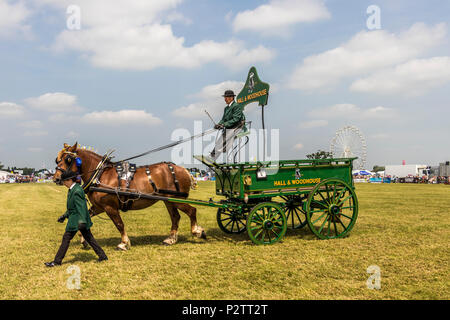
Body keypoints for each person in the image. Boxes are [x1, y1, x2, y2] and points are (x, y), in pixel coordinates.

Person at [44, 171, 107, 267]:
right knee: (89, 238)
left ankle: (57, 261)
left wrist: (81, 221)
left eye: (64, 181)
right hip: (77, 219)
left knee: (66, 238)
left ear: (69, 180)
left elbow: (81, 207)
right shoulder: (72, 189)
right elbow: (71, 207)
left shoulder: (77, 191)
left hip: (77, 220)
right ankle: (102, 256)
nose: (63, 183)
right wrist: (64, 216)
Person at [210, 90, 246, 161]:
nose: (225, 99)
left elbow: (236, 119)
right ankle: (213, 157)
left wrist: (224, 125)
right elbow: (223, 119)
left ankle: (213, 156)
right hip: (230, 127)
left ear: (232, 98)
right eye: (225, 97)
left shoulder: (236, 106)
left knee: (223, 140)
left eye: (226, 97)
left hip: (237, 126)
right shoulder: (226, 108)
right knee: (220, 140)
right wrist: (219, 124)